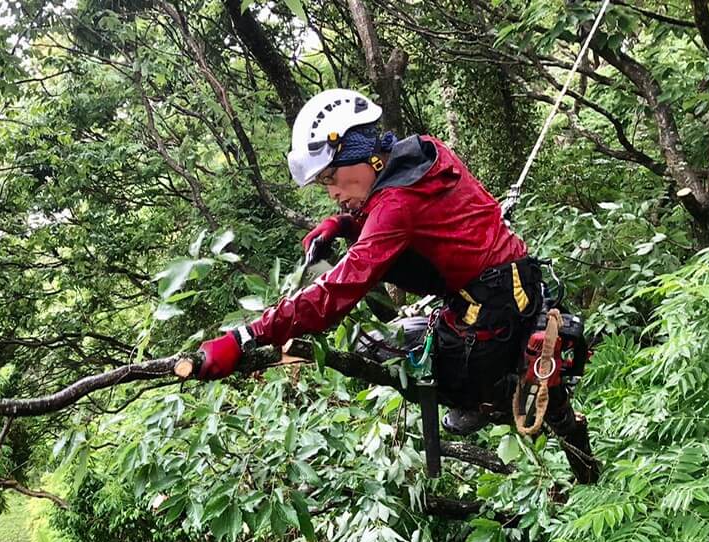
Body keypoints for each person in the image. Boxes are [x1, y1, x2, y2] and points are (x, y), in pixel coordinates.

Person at [194, 88, 595, 479]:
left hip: (490, 305)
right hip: (512, 283)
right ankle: (520, 380)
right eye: (324, 184)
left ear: (364, 156)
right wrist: (345, 225)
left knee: (379, 349)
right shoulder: (423, 152)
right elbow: (427, 224)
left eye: (332, 176)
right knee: (413, 329)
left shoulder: (396, 205)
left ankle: (493, 391)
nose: (332, 192)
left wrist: (246, 335)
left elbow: (336, 292)